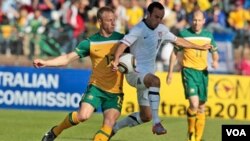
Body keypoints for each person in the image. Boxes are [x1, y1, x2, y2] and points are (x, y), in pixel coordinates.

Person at [111, 1, 212, 137]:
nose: (158, 20)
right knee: (156, 81)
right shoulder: (138, 29)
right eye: (156, 17)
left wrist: (199, 47)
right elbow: (123, 44)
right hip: (135, 73)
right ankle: (157, 123)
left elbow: (178, 40)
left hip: (147, 75)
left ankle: (115, 128)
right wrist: (116, 60)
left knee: (145, 116)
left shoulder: (162, 30)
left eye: (161, 18)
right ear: (148, 14)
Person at [33, 6, 125, 141]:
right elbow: (67, 58)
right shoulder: (90, 42)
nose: (113, 23)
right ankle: (55, 131)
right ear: (100, 21)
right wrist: (46, 62)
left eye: (114, 20)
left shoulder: (123, 40)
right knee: (83, 116)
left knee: (109, 124)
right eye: (109, 20)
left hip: (115, 91)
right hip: (96, 87)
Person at [167, 10, 219, 141]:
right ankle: (191, 133)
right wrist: (170, 72)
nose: (196, 23)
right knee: (194, 104)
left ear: (204, 21)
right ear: (191, 20)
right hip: (189, 71)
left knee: (201, 106)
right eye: (194, 20)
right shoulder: (184, 34)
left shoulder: (208, 35)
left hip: (203, 73)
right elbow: (174, 53)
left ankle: (198, 137)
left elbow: (214, 51)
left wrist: (215, 60)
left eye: (199, 20)